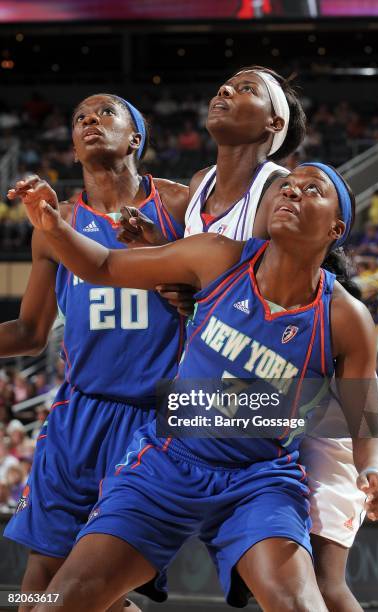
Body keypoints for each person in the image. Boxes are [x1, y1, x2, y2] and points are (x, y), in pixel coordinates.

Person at [21, 162, 378, 612]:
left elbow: (368, 423)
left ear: (336, 227)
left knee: (301, 603)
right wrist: (55, 227)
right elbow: (102, 263)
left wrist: (373, 471)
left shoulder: (345, 317)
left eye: (311, 190)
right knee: (59, 600)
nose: (291, 193)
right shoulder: (218, 256)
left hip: (258, 478)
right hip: (169, 462)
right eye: (286, 187)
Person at [119, 66, 378, 611]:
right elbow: (207, 282)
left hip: (300, 402)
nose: (223, 90)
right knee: (94, 572)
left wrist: (375, 464)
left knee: (320, 585)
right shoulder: (200, 186)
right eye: (225, 84)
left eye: (246, 89)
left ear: (275, 123)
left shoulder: (276, 191)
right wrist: (155, 247)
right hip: (233, 405)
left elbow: (279, 283)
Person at [3, 93, 189, 611]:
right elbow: (29, 331)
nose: (90, 120)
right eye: (80, 117)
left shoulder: (177, 206)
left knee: (97, 586)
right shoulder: (53, 223)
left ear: (136, 137)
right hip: (76, 417)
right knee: (34, 586)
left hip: (152, 420)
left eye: (105, 112)